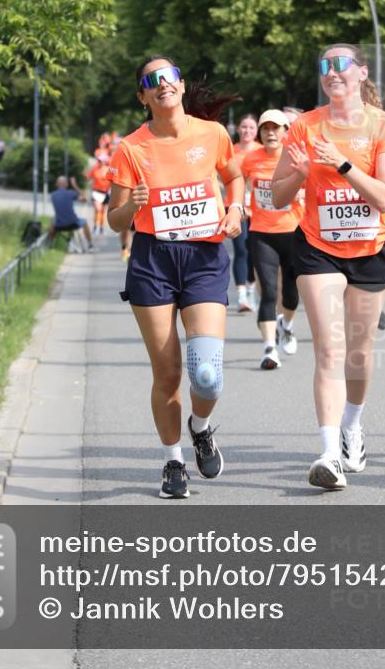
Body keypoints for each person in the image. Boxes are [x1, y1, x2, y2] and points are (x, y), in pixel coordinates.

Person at [107, 56, 244, 499]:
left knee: (207, 375)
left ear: (181, 86)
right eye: (152, 80)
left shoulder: (214, 134)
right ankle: (173, 461)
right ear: (143, 96)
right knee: (166, 373)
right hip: (153, 261)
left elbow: (234, 176)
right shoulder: (131, 148)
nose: (162, 84)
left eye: (169, 77)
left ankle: (200, 427)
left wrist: (237, 208)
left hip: (204, 257)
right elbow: (114, 219)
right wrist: (134, 205)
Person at [272, 44, 385, 490]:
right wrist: (300, 173)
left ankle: (353, 425)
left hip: (371, 248)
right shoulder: (304, 126)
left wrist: (343, 164)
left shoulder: (383, 125)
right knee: (329, 349)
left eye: (340, 64)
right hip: (317, 247)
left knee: (358, 352)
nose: (331, 72)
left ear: (361, 72)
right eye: (324, 66)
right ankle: (329, 453)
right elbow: (277, 196)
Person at [241, 110, 304, 369]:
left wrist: (303, 196)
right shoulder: (250, 159)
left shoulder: (296, 157)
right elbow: (239, 184)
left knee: (290, 293)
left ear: (285, 132)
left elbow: (315, 185)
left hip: (293, 232)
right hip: (262, 232)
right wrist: (240, 205)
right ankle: (269, 349)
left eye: (276, 128)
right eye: (265, 128)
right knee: (268, 291)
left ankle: (286, 326)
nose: (270, 133)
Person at [231, 113, 261, 311]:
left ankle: (251, 288)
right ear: (238, 129)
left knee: (254, 250)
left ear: (256, 130)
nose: (247, 131)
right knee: (240, 249)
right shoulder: (230, 151)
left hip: (259, 209)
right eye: (244, 127)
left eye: (251, 127)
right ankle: (242, 296)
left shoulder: (263, 150)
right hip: (235, 206)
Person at [49, 176, 93, 249]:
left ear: (56, 184)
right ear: (66, 184)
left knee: (52, 222)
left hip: (58, 225)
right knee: (85, 222)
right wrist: (75, 185)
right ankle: (90, 244)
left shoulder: (53, 195)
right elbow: (84, 199)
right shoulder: (71, 193)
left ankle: (50, 243)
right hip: (72, 223)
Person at [87, 151, 111, 234]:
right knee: (98, 209)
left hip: (106, 192)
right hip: (96, 192)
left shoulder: (109, 169)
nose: (99, 162)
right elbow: (88, 177)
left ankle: (101, 227)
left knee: (103, 211)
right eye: (98, 160)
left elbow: (115, 179)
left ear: (105, 161)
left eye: (101, 160)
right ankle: (95, 226)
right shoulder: (95, 169)